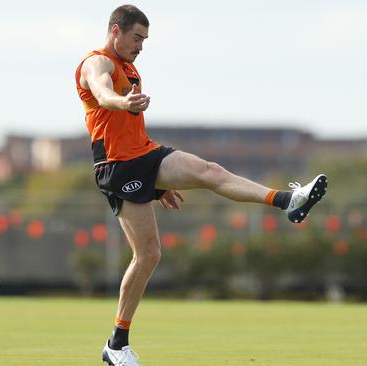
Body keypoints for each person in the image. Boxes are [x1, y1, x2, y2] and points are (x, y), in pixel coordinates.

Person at [75, 5, 328, 366]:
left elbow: (128, 127)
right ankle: (117, 344)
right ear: (116, 30)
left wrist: (159, 183)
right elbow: (102, 94)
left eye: (145, 40)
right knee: (148, 255)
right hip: (117, 168)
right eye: (137, 38)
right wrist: (123, 101)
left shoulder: (131, 67)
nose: (141, 46)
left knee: (210, 171)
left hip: (145, 156)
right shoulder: (96, 63)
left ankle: (289, 199)